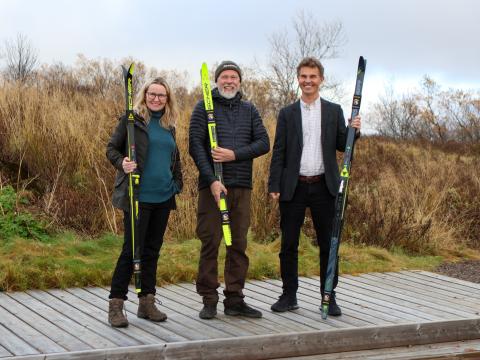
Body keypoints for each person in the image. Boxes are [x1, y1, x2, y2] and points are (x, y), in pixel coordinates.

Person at [268, 57, 361, 316]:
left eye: (313, 76)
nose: (308, 81)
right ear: (298, 79)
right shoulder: (287, 113)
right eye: (303, 77)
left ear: (321, 79)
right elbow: (279, 151)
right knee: (288, 245)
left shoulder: (333, 111)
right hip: (293, 187)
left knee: (328, 244)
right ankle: (289, 295)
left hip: (324, 186)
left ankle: (328, 296)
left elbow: (344, 145)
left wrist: (354, 130)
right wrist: (274, 183)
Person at [189, 61, 270, 319]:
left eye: (234, 77)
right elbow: (195, 146)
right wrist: (212, 179)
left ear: (240, 81)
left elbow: (263, 143)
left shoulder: (249, 109)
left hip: (241, 186)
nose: (229, 81)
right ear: (216, 80)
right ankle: (209, 298)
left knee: (238, 243)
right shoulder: (204, 107)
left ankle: (234, 299)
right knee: (211, 242)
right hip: (212, 187)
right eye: (224, 76)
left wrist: (234, 155)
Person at [106, 77, 183, 327]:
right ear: (145, 94)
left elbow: (175, 158)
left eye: (161, 95)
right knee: (132, 250)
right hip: (137, 196)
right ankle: (116, 305)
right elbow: (111, 149)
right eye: (152, 94)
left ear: (167, 99)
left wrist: (176, 184)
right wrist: (122, 163)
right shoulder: (132, 121)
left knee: (152, 251)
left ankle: (146, 302)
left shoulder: (170, 125)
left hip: (163, 196)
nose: (156, 98)